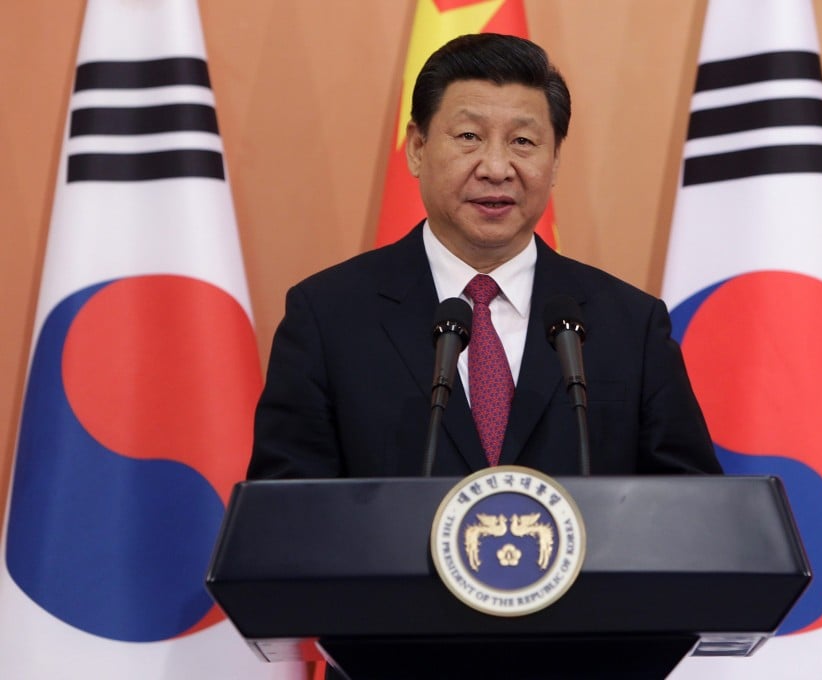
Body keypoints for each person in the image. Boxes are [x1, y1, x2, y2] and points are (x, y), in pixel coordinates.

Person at [247, 32, 720, 483]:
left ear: (554, 162)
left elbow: (694, 513)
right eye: (469, 136)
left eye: (523, 142)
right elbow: (286, 520)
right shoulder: (328, 317)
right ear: (417, 148)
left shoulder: (630, 326)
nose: (496, 169)